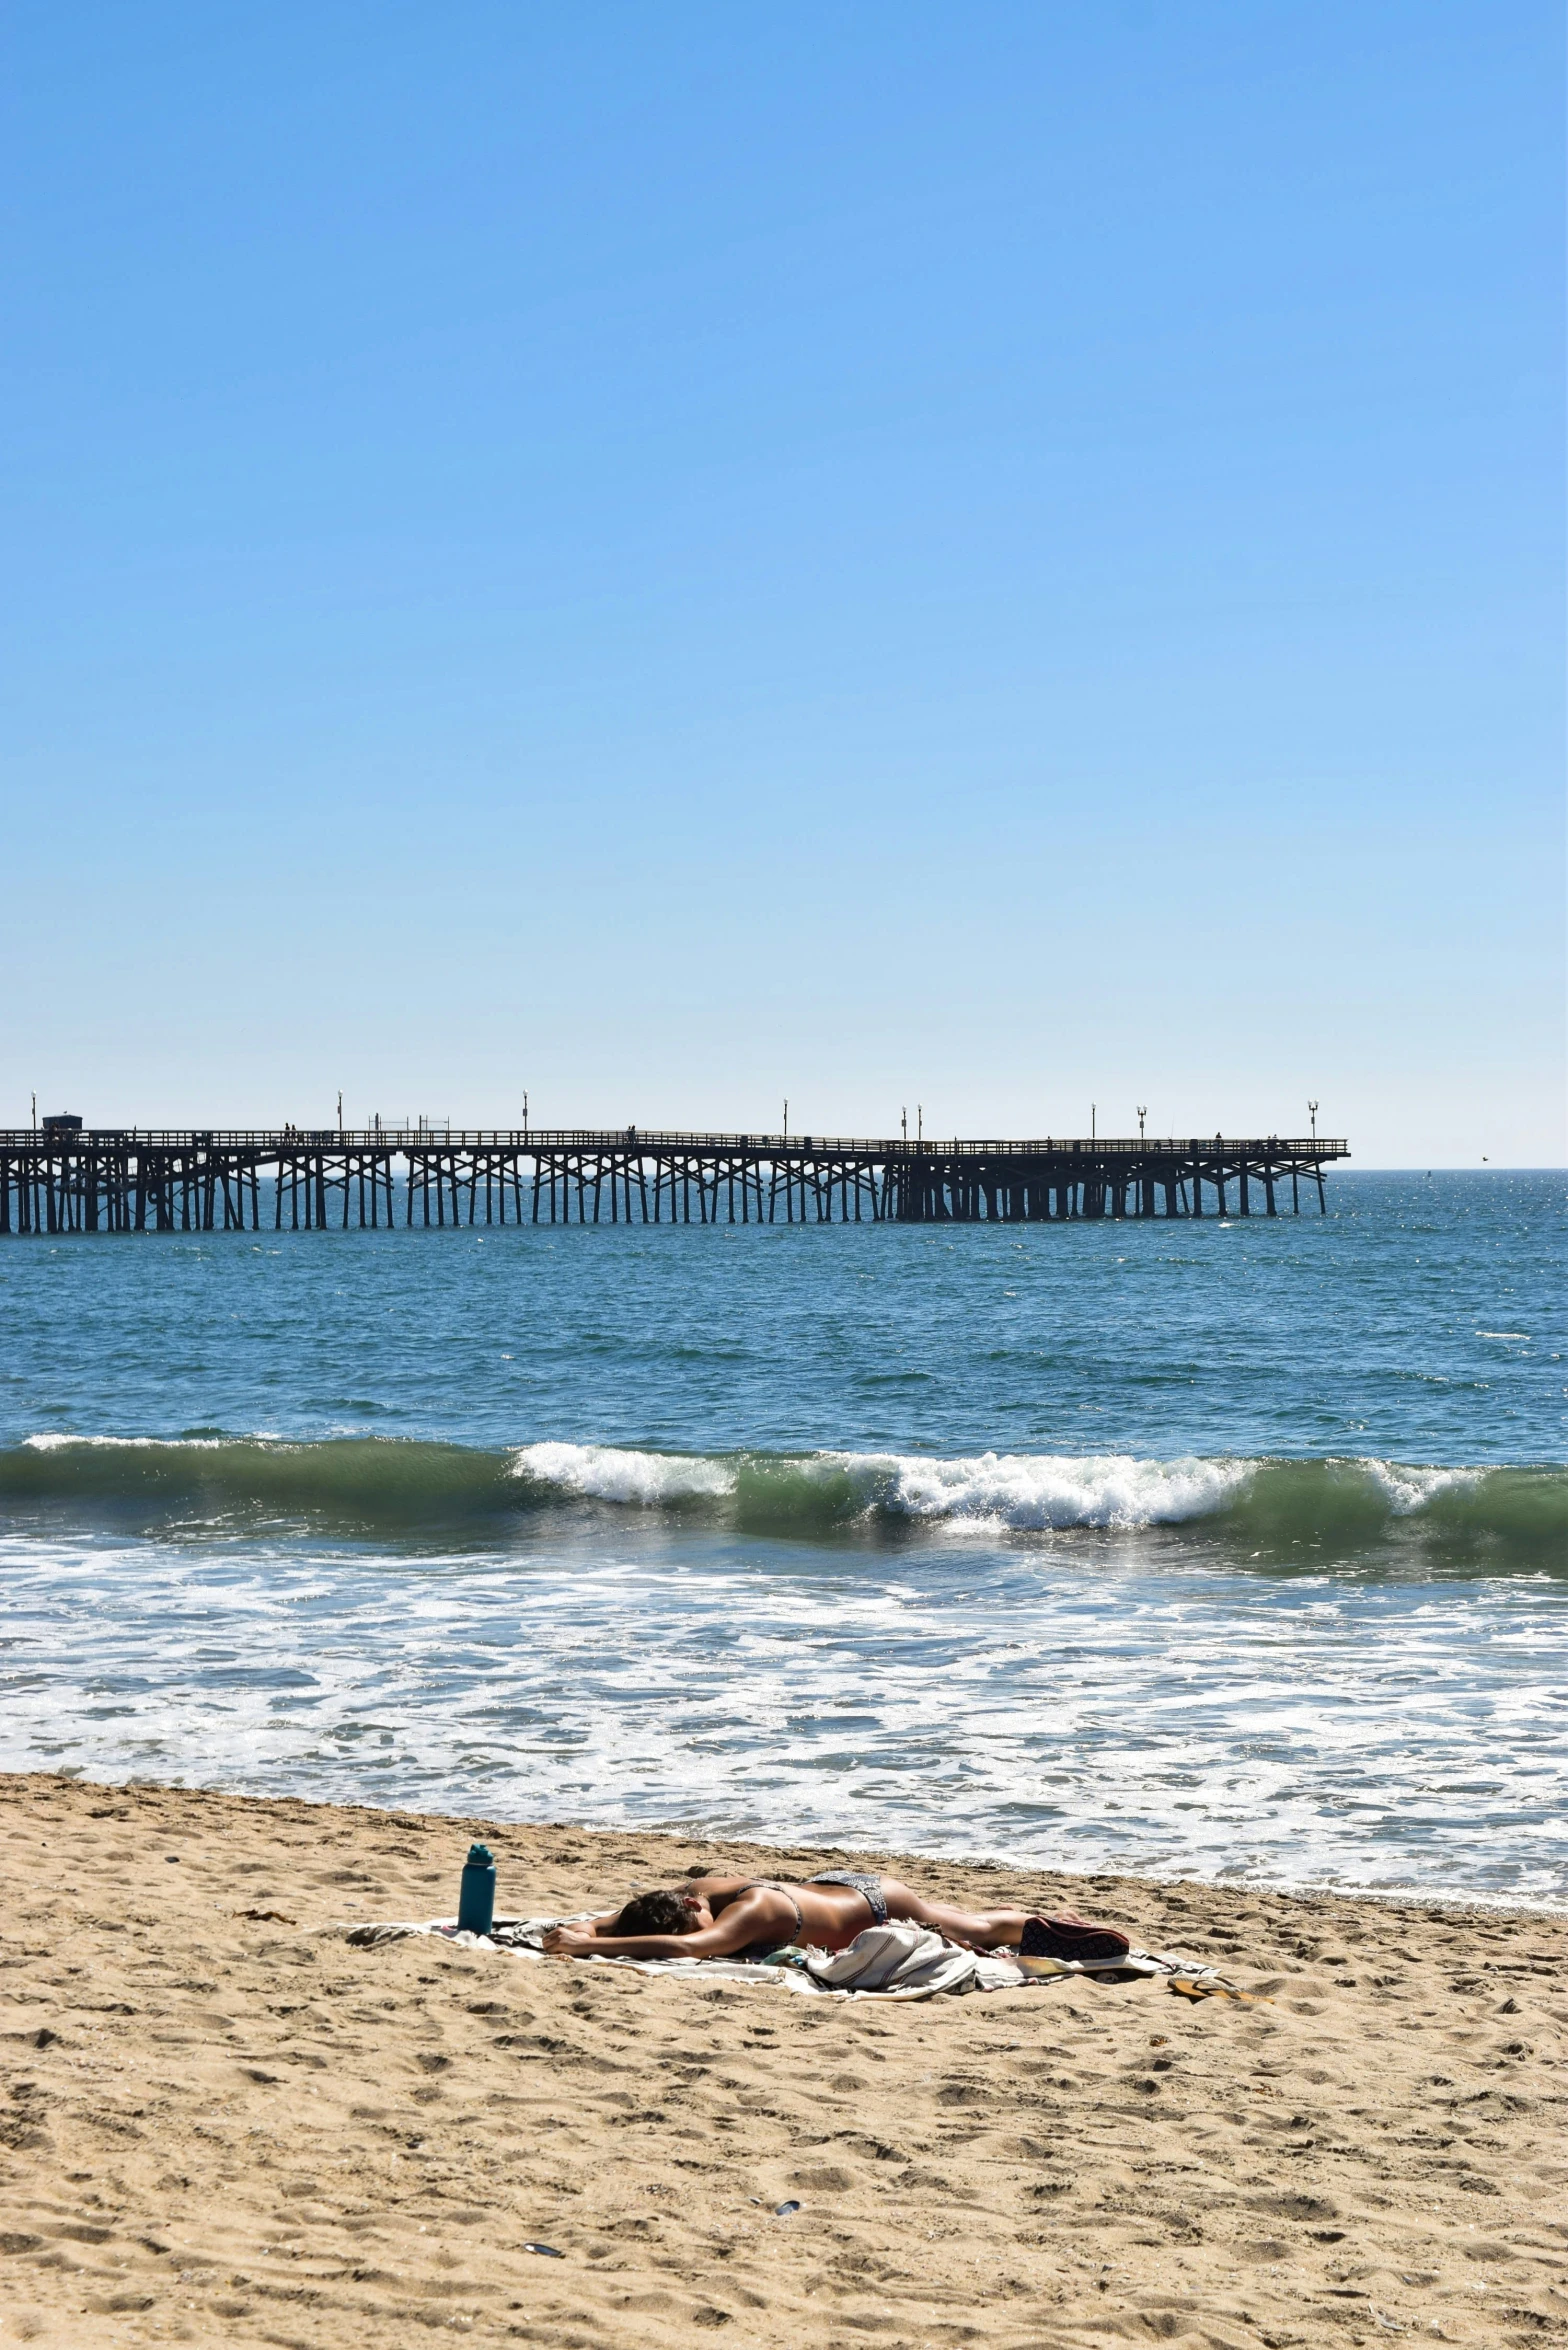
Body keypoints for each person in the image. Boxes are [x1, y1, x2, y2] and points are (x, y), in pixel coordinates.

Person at [540, 1869, 1036, 1962]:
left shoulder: (751, 1911)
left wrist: (588, 1946)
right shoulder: (689, 1894)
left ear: (693, 1908)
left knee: (979, 1931)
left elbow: (688, 1946)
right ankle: (1024, 1910)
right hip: (835, 1887)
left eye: (698, 1922)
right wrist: (586, 1929)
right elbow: (622, 1919)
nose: (711, 1935)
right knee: (958, 1917)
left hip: (875, 1904)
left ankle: (1050, 1924)